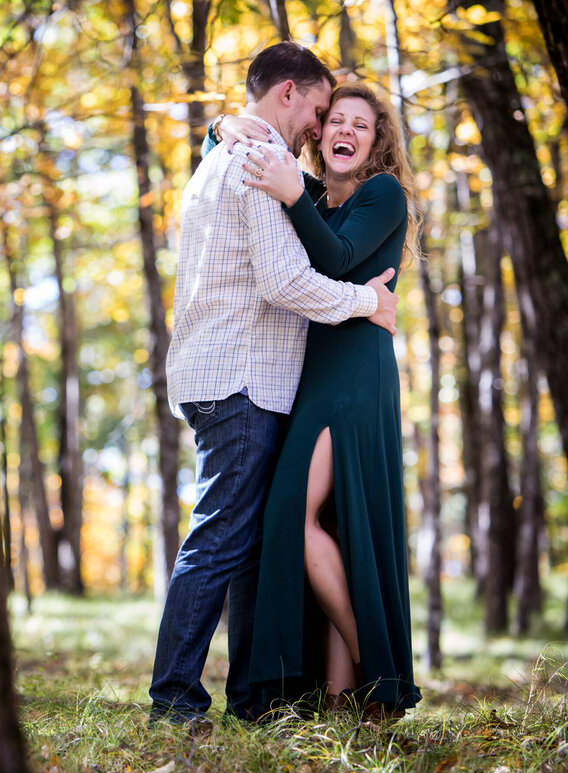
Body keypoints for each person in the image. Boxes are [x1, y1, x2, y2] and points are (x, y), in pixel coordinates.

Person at [151, 43, 399, 727]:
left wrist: (221, 123)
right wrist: (366, 304)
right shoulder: (263, 163)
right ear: (287, 93)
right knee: (221, 541)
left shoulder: (219, 159)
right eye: (320, 111)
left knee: (247, 547)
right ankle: (173, 701)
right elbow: (286, 281)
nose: (322, 129)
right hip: (241, 378)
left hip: (222, 372)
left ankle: (254, 700)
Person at [213, 82, 423, 718]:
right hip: (317, 377)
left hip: (356, 377)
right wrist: (223, 125)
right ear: (319, 132)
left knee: (291, 516)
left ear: (376, 142)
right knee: (333, 525)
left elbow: (335, 260)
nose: (348, 132)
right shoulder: (319, 198)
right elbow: (232, 149)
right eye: (338, 121)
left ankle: (370, 664)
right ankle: (338, 702)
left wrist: (288, 194)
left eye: (363, 126)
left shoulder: (382, 195)